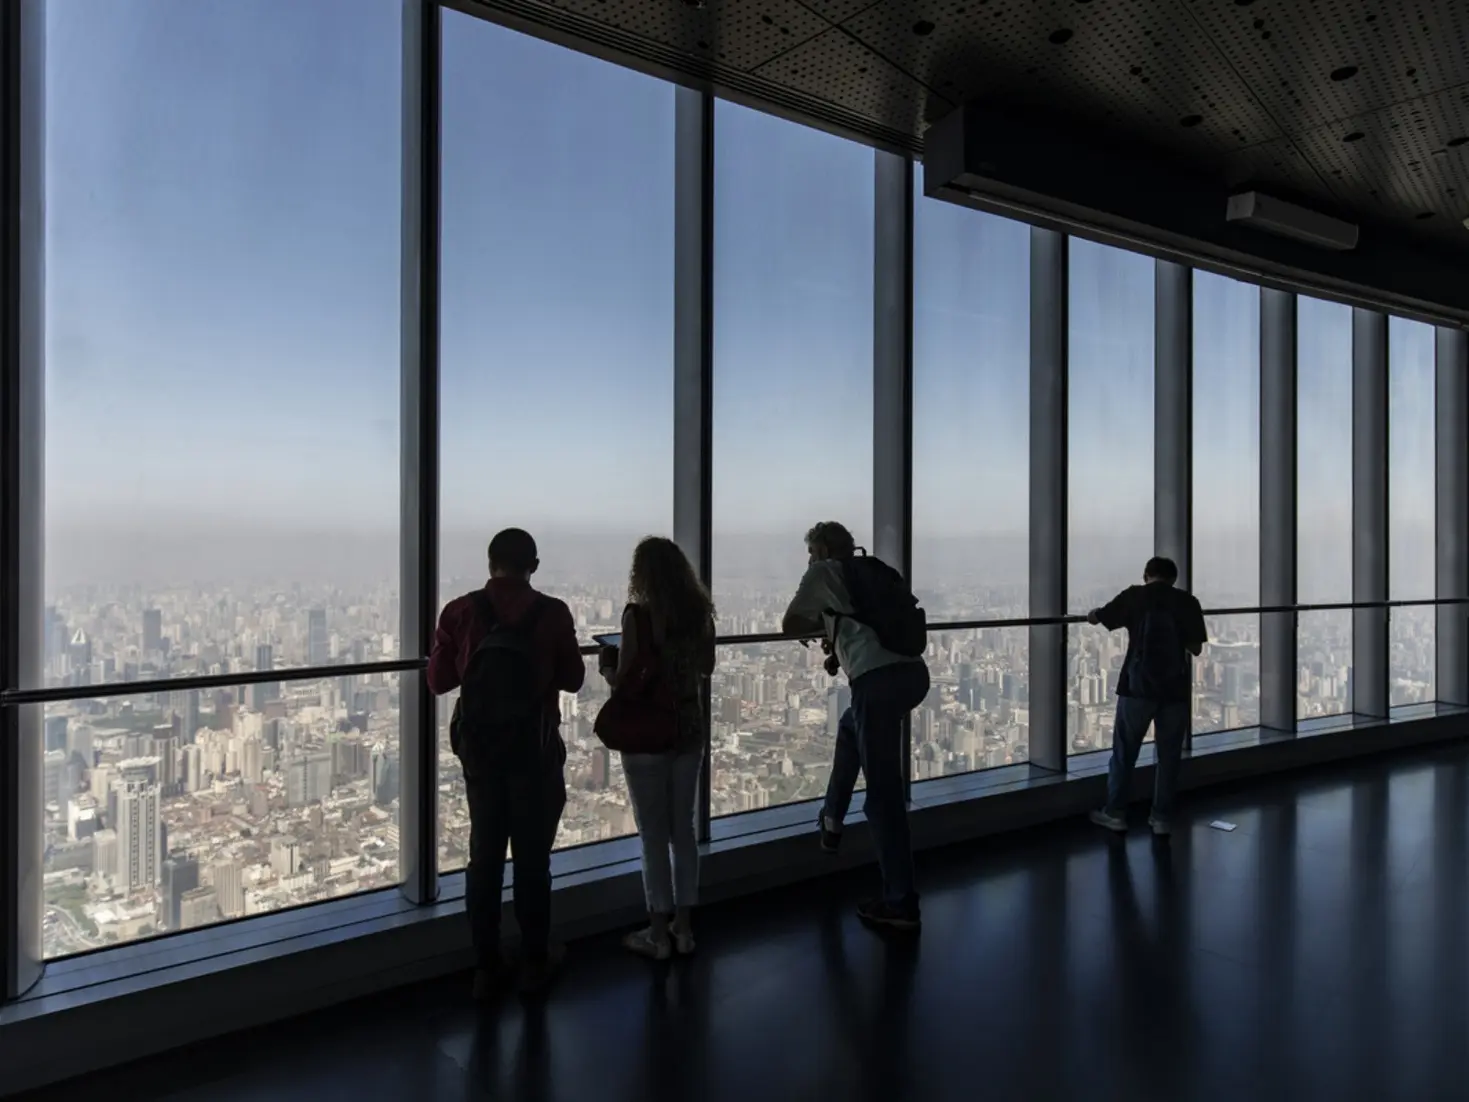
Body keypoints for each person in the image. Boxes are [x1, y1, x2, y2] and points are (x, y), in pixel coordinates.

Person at [427, 528, 585, 997]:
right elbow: (575, 680)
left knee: (485, 859)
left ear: (489, 562)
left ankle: (486, 965)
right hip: (534, 754)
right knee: (533, 861)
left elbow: (438, 682)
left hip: (482, 757)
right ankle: (535, 961)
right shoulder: (552, 613)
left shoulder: (459, 611)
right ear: (533, 565)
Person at [783, 521, 930, 932]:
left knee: (882, 796)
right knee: (850, 730)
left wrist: (819, 623)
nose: (809, 560)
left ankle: (900, 902)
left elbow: (790, 623)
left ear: (825, 548)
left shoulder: (823, 573)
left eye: (812, 551)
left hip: (877, 684)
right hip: (912, 675)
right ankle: (831, 820)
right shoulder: (872, 571)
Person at [601, 536, 716, 961]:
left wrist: (608, 667)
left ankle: (656, 934)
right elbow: (707, 667)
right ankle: (684, 929)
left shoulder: (639, 616)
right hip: (688, 728)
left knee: (652, 834)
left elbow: (627, 680)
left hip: (646, 733)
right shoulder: (701, 613)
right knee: (682, 830)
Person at [1086, 556, 1208, 837]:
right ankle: (1161, 817)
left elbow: (1100, 617)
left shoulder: (1135, 596)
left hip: (1137, 688)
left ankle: (1115, 813)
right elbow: (1196, 648)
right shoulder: (1188, 602)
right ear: (1173, 578)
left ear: (1146, 574)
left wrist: (1091, 614)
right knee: (1168, 757)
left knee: (1124, 753)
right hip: (1174, 690)